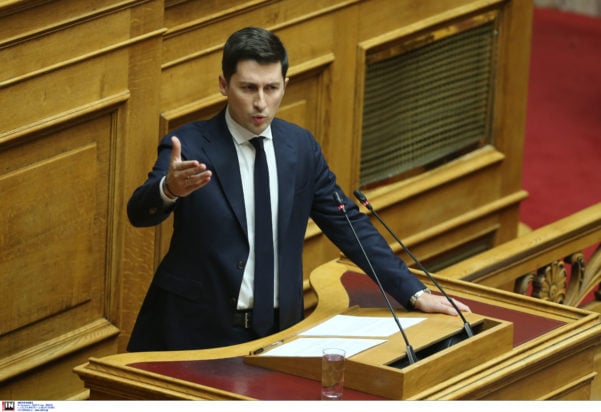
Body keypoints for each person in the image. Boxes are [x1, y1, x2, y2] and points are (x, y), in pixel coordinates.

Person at [126, 26, 470, 352]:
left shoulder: (300, 147)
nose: (261, 102)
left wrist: (413, 292)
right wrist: (168, 189)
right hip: (195, 333)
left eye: (271, 88)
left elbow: (348, 224)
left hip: (279, 330)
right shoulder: (190, 145)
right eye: (248, 88)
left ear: (285, 85)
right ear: (223, 85)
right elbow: (139, 212)